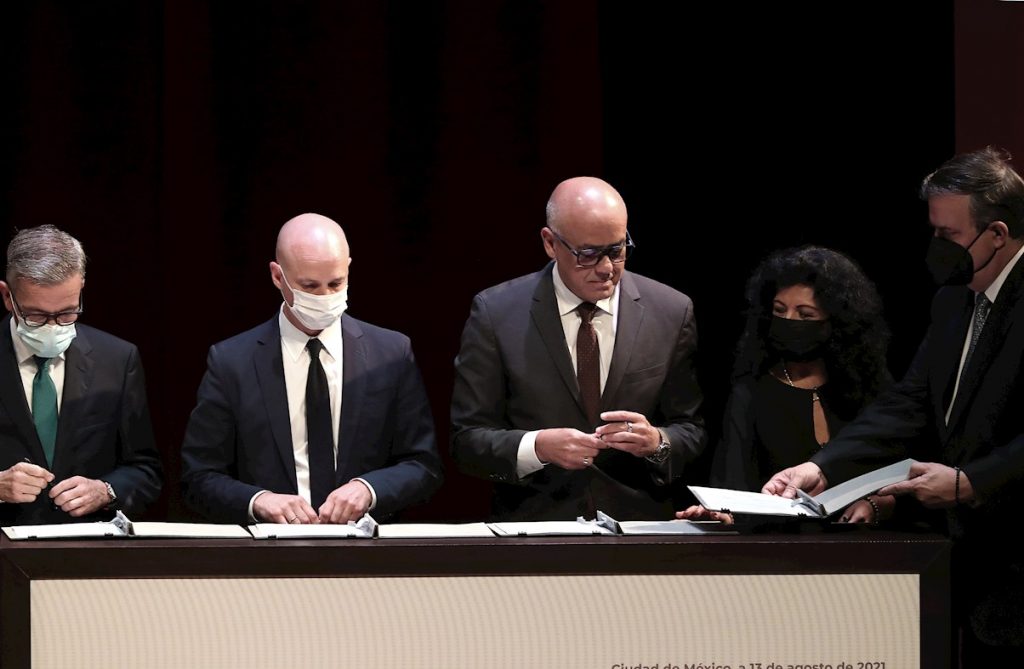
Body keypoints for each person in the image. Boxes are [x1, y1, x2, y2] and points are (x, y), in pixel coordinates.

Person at [763, 147, 1024, 664]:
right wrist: (822, 467)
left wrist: (973, 481)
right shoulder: (953, 301)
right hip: (969, 568)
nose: (937, 247)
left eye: (948, 234)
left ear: (996, 233)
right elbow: (909, 402)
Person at [450, 176, 706, 520]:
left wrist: (657, 442)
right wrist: (537, 448)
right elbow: (466, 442)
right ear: (550, 243)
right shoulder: (496, 314)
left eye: (617, 250)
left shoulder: (671, 311)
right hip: (535, 526)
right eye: (588, 255)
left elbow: (691, 430)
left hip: (638, 526)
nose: (606, 269)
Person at [180, 213, 442, 525]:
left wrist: (369, 489)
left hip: (364, 545)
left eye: (336, 283)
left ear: (348, 268)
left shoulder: (391, 353)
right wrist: (258, 500)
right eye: (310, 286)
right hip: (271, 546)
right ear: (278, 277)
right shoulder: (231, 362)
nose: (325, 297)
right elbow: (198, 476)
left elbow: (423, 465)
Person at [678, 246, 894, 524]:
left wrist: (877, 503)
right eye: (780, 310)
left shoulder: (872, 387)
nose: (789, 321)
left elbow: (899, 469)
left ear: (838, 322)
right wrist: (721, 513)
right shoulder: (751, 391)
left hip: (867, 543)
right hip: (781, 542)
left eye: (805, 315)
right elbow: (734, 484)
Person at [0, 225, 162, 524]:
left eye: (67, 313)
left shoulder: (117, 359)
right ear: (8, 297)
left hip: (85, 543)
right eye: (35, 315)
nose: (52, 326)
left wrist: (106, 491)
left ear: (81, 288)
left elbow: (145, 470)